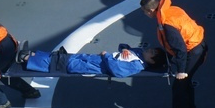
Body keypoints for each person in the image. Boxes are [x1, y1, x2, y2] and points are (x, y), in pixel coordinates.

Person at [140, 0, 207, 108]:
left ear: (150, 10)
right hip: (198, 45)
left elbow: (180, 49)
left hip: (193, 51)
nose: (145, 14)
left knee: (179, 86)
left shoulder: (167, 24)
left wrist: (181, 71)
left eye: (144, 12)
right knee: (186, 83)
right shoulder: (173, 9)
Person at [18, 44, 167, 78]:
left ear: (152, 61)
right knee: (64, 57)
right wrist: (125, 49)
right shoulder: (139, 54)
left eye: (152, 53)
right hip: (93, 59)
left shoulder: (136, 66)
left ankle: (27, 59)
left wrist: (106, 56)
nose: (150, 50)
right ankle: (34, 55)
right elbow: (123, 46)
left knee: (63, 64)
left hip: (94, 65)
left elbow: (117, 70)